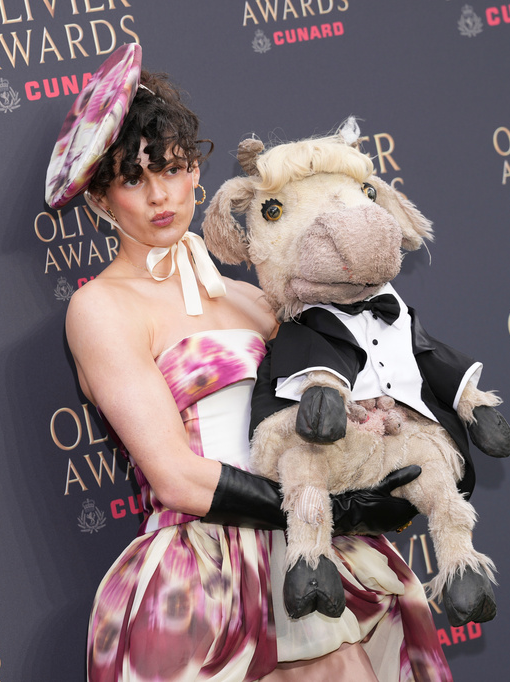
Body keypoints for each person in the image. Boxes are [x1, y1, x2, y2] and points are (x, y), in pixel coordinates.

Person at [57, 53, 452, 682]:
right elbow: (178, 478)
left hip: (310, 550)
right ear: (101, 197)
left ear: (196, 173)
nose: (159, 195)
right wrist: (331, 509)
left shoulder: (255, 297)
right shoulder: (100, 308)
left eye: (172, 168)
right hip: (205, 571)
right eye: (134, 180)